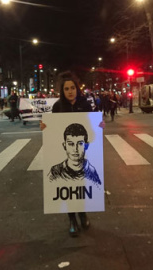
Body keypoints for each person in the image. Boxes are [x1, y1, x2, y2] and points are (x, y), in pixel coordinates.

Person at [40, 71, 104, 237]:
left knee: (82, 187)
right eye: (66, 88)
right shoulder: (58, 107)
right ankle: (72, 220)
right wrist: (45, 128)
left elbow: (92, 128)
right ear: (63, 91)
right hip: (65, 156)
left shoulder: (85, 104)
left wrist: (99, 124)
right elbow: (53, 130)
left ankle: (82, 215)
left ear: (77, 89)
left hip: (85, 155)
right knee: (68, 187)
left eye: (72, 88)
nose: (70, 91)